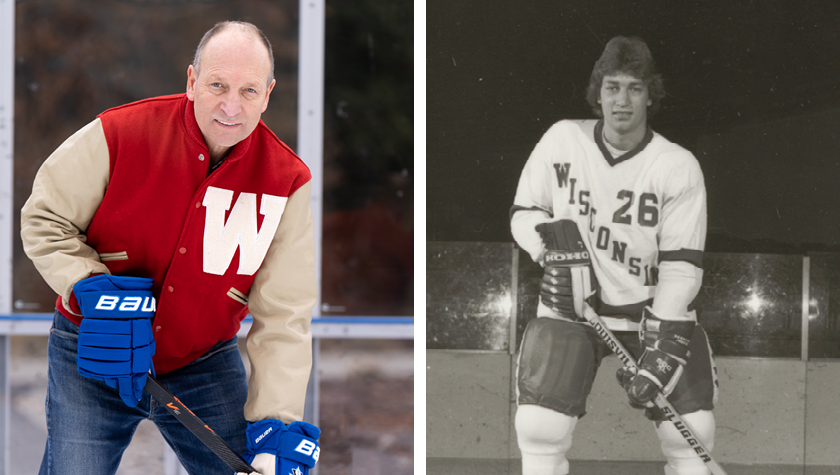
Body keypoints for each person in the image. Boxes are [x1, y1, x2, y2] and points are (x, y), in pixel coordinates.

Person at [21, 21, 320, 475]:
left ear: (269, 93)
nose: (230, 106)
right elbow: (44, 218)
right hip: (96, 349)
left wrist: (276, 423)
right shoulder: (118, 134)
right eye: (217, 84)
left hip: (202, 362)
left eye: (248, 90)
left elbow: (285, 315)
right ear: (191, 81)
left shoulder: (286, 182)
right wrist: (88, 287)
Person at [510, 36, 718, 475]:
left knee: (692, 433)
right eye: (612, 87)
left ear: (650, 96)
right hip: (571, 308)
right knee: (539, 427)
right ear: (597, 93)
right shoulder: (562, 139)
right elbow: (524, 212)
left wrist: (665, 344)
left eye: (634, 88)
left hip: (650, 314)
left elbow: (682, 264)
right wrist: (545, 244)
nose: (622, 101)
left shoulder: (677, 165)